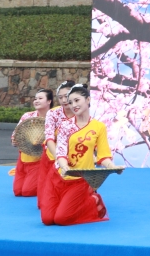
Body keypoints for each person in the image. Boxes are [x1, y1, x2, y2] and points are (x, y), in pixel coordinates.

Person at [41, 84, 116, 226]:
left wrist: (112, 167)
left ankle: (94, 201)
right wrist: (64, 167)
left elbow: (103, 156)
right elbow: (61, 153)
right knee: (47, 219)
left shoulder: (99, 127)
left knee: (61, 219)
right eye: (70, 102)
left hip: (80, 179)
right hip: (58, 176)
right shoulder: (65, 126)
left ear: (87, 100)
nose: (73, 105)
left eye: (77, 100)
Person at [39, 81, 75, 208]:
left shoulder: (81, 112)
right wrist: (58, 159)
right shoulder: (53, 113)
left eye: (67, 96)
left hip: (75, 154)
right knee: (45, 203)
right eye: (60, 97)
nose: (64, 100)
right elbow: (49, 138)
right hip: (52, 154)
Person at [12, 89, 53, 197]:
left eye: (40, 98)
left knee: (27, 191)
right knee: (17, 191)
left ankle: (46, 180)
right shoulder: (27, 116)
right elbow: (15, 135)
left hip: (38, 161)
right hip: (23, 158)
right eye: (35, 99)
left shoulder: (53, 118)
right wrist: (14, 140)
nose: (36, 101)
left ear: (49, 101)